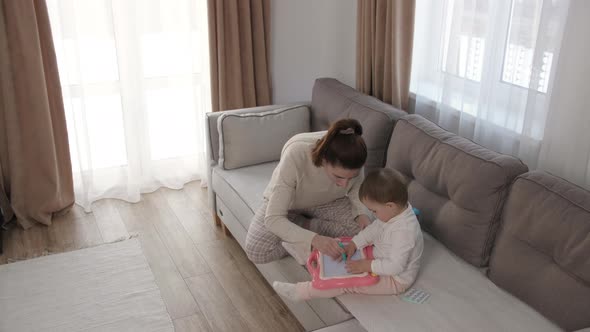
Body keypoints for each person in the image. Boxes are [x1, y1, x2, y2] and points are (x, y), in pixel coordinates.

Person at [272, 168, 424, 301]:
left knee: (347, 282)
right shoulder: (393, 212)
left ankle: (301, 292)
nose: (373, 215)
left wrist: (367, 265)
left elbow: (396, 266)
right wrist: (355, 243)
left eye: (374, 211)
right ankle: (307, 253)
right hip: (379, 256)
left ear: (390, 205)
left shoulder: (404, 232)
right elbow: (374, 229)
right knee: (343, 245)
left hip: (394, 279)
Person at [245, 119, 372, 264]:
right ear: (324, 160)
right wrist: (313, 239)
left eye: (351, 177)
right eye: (338, 176)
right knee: (256, 251)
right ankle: (300, 224)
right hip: (290, 204)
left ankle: (305, 225)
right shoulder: (296, 153)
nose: (344, 185)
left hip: (327, 201)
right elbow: (273, 218)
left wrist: (362, 213)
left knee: (363, 232)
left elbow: (356, 188)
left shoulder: (354, 153)